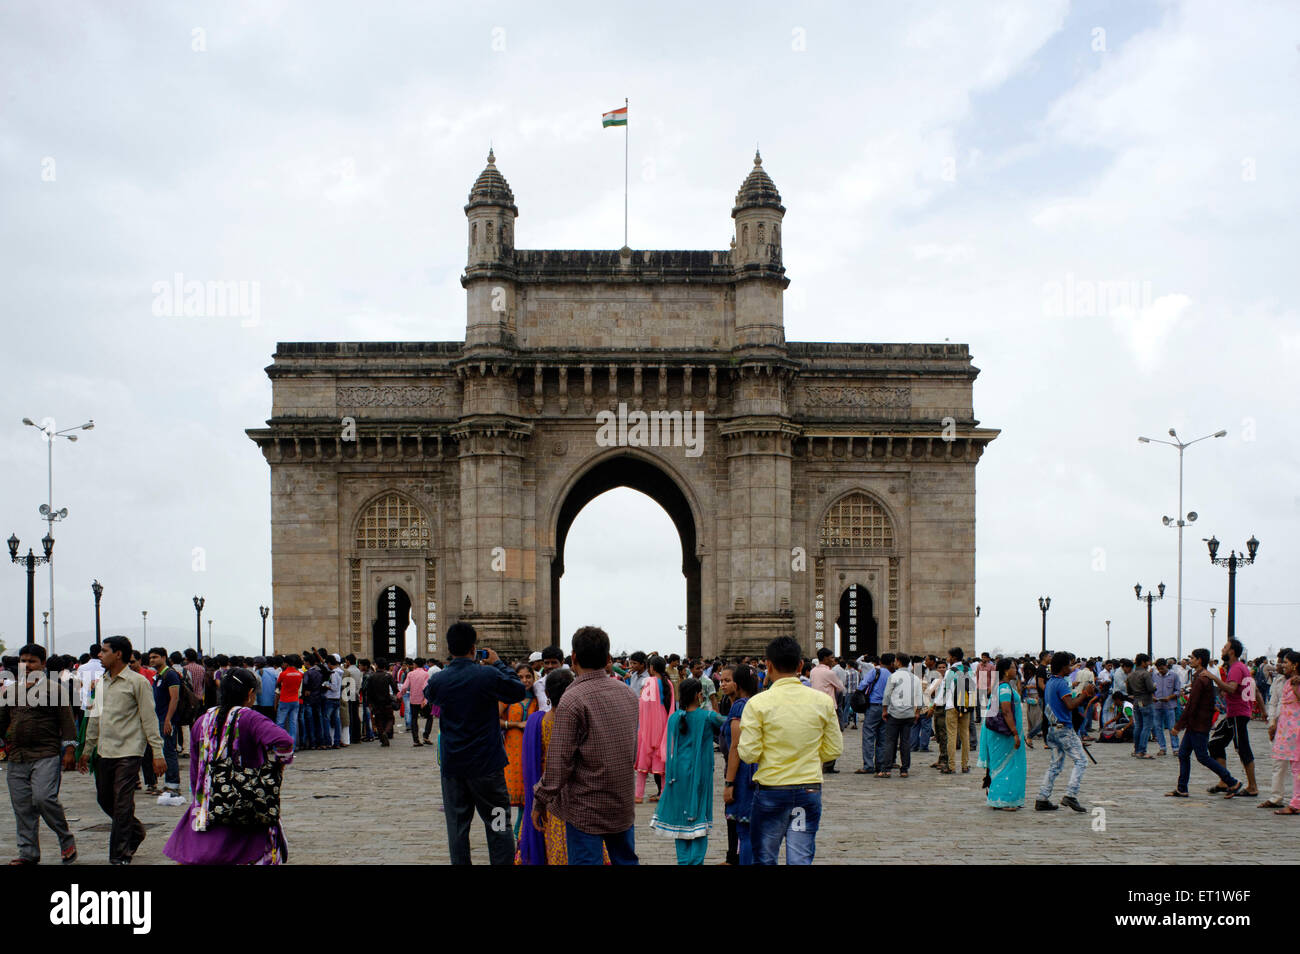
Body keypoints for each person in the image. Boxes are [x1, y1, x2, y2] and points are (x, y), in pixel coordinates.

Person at [163, 667, 295, 864]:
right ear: (250, 694)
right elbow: (284, 740)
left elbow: (195, 765)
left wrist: (198, 797)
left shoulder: (202, 721)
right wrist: (278, 766)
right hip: (246, 801)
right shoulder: (249, 718)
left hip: (210, 799)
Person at [532, 626, 640, 865]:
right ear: (608, 658)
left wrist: (540, 800)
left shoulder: (572, 699)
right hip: (621, 802)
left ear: (574, 658)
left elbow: (559, 762)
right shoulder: (628, 694)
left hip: (585, 807)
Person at [424, 622, 526, 865]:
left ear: (450, 648)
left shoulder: (439, 680)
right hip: (488, 767)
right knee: (499, 824)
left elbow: (430, 696)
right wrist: (499, 663)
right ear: (474, 647)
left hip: (454, 768)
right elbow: (518, 691)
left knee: (457, 827)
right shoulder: (488, 675)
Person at [738, 636, 842, 865]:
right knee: (800, 859)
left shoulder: (757, 703)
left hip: (771, 790)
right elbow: (834, 749)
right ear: (800, 666)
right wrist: (808, 755)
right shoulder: (822, 701)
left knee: (765, 859)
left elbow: (748, 754)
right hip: (808, 789)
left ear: (769, 665)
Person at [77, 636, 167, 865]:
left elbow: (149, 719)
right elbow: (95, 718)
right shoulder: (102, 682)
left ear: (118, 654)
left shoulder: (138, 682)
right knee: (105, 798)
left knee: (122, 802)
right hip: (105, 750)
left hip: (129, 751)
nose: (100, 655)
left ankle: (119, 855)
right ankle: (135, 832)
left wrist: (157, 753)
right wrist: (87, 749)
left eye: (104, 651)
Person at [1, 643, 78, 865]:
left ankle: (65, 838)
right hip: (17, 757)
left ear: (42, 664)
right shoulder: (11, 691)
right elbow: (2, 721)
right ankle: (28, 853)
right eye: (23, 660)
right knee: (22, 806)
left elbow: (68, 724)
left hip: (46, 754)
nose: (27, 665)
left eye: (32, 661)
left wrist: (70, 750)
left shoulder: (55, 690)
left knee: (44, 798)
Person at [651, 678, 725, 864]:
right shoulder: (708, 717)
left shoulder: (675, 718)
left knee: (681, 818)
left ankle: (684, 861)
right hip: (699, 773)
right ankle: (695, 861)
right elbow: (729, 724)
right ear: (698, 695)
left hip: (678, 773)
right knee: (699, 816)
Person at [1166, 648, 1241, 799]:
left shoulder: (1202, 679)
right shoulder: (1201, 677)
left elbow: (1192, 705)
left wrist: (1178, 726)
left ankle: (1231, 781)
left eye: (1193, 658)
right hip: (1197, 724)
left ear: (1199, 660)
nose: (1190, 660)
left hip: (1198, 724)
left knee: (1202, 756)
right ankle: (1182, 788)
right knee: (1183, 754)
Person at [1034, 650, 1095, 813]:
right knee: (1081, 761)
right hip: (1063, 728)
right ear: (1063, 667)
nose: (1071, 667)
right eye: (1069, 664)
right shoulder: (1061, 683)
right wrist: (1084, 695)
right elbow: (1070, 705)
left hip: (1053, 729)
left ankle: (1042, 797)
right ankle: (1071, 794)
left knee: (1055, 765)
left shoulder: (1050, 684)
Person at [1205, 638, 1260, 797]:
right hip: (1234, 714)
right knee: (1215, 743)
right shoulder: (1240, 667)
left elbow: (1231, 688)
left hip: (1238, 714)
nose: (1222, 650)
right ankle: (1224, 780)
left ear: (1232, 651)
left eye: (1225, 647)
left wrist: (1214, 678)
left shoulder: (1236, 667)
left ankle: (1252, 786)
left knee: (1242, 748)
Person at [717, 663, 758, 865]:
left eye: (727, 680)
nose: (723, 684)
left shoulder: (740, 706)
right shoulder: (755, 702)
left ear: (738, 683)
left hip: (742, 775)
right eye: (721, 680)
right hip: (752, 772)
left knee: (745, 832)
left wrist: (729, 783)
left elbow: (736, 747)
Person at [977, 658, 1025, 810]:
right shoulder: (1004, 688)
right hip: (1004, 734)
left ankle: (1002, 797)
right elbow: (1006, 711)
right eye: (1013, 667)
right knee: (1005, 767)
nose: (1015, 670)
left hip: (1000, 733)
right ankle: (1003, 799)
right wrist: (1015, 733)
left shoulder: (1003, 687)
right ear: (1005, 670)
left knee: (1004, 765)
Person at [500, 663, 537, 836]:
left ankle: (518, 831)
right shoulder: (507, 697)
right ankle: (499, 830)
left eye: (528, 677)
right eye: (520, 677)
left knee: (526, 793)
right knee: (502, 795)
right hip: (510, 750)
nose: (524, 681)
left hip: (529, 750)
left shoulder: (538, 699)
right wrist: (514, 724)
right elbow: (492, 718)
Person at [146, 647, 186, 807]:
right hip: (159, 717)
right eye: (150, 657)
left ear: (164, 657)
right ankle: (168, 782)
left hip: (167, 719)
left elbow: (174, 698)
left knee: (169, 751)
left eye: (155, 657)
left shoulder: (170, 675)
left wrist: (168, 719)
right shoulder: (159, 676)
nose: (152, 660)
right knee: (164, 750)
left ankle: (173, 784)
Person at [634, 654, 676, 803]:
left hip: (649, 724)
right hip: (664, 721)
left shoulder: (649, 682)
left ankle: (638, 795)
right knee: (661, 759)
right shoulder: (668, 683)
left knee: (643, 761)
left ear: (651, 668)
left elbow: (643, 703)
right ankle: (664, 793)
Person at [878, 652, 923, 779]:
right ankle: (904, 770)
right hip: (909, 714)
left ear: (898, 661)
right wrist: (918, 713)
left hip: (894, 713)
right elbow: (919, 697)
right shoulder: (915, 678)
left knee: (890, 742)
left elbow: (887, 695)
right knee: (905, 742)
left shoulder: (893, 676)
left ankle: (886, 769)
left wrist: (884, 710)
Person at [1262, 648, 1296, 809]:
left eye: (1284, 662)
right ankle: (1276, 797)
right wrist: (1272, 722)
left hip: (1295, 728)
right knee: (1279, 763)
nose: (1281, 665)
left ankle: (1296, 800)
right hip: (1281, 726)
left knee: (1296, 766)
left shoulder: (1295, 682)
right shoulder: (1280, 681)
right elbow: (1274, 702)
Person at [941, 647, 976, 775]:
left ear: (954, 658)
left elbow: (944, 689)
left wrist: (934, 705)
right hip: (965, 706)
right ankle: (965, 765)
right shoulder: (969, 671)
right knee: (965, 735)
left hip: (951, 706)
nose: (947, 658)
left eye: (948, 656)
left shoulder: (950, 671)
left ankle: (951, 766)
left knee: (951, 736)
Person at [855, 653, 891, 775]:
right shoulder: (892, 675)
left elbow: (863, 684)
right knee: (882, 738)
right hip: (887, 708)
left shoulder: (875, 671)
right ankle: (880, 765)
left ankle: (868, 765)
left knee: (868, 736)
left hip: (873, 706)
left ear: (880, 662)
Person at [398, 658, 432, 746]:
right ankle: (426, 736)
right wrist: (425, 699)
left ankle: (416, 740)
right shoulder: (426, 674)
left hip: (413, 700)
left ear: (415, 665)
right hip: (423, 701)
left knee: (414, 719)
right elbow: (426, 688)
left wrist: (400, 695)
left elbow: (405, 687)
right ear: (424, 664)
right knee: (429, 717)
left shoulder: (410, 674)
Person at [1129, 654, 1157, 759]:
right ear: (1143, 662)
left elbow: (1129, 691)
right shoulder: (1145, 674)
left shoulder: (1131, 674)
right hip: (1146, 701)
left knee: (1138, 726)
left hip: (1136, 701)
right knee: (1147, 727)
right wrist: (1155, 686)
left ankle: (1136, 750)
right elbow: (1151, 688)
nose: (1149, 664)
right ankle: (1142, 751)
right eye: (1148, 662)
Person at [1151, 658, 1180, 756]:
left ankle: (1175, 748)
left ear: (1166, 666)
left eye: (1162, 669)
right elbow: (1151, 690)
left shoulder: (1174, 676)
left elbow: (1178, 691)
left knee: (1172, 727)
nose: (1161, 671)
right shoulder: (1154, 676)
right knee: (1158, 727)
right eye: (1159, 669)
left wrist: (1169, 697)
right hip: (1157, 705)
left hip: (1169, 705)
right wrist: (1153, 697)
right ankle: (1162, 747)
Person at [274, 655, 303, 750]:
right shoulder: (299, 674)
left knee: (280, 724)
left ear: (286, 663)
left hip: (284, 700)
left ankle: (279, 746)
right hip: (295, 700)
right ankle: (292, 747)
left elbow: (278, 684)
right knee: (293, 724)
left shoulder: (283, 674)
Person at [366, 657, 397, 745]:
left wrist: (370, 703)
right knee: (390, 719)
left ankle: (382, 736)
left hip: (376, 703)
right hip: (387, 701)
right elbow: (395, 689)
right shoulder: (388, 676)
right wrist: (396, 698)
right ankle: (386, 732)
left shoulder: (372, 677)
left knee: (378, 720)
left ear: (376, 665)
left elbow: (369, 692)